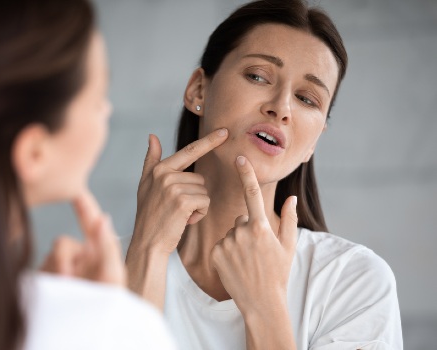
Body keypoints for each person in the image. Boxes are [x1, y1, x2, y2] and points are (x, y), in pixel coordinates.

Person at [125, 0, 403, 349]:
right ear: (199, 89)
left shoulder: (352, 281)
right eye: (258, 76)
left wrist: (265, 306)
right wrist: (147, 253)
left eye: (307, 99)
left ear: (313, 143)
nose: (281, 108)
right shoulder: (99, 268)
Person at [0, 1, 176, 350]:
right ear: (34, 152)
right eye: (98, 100)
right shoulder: (109, 328)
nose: (107, 112)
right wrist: (106, 320)